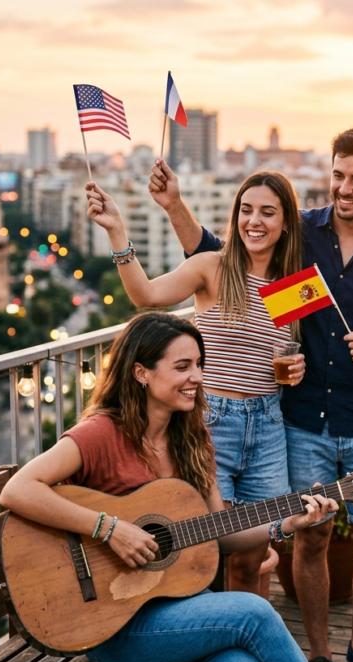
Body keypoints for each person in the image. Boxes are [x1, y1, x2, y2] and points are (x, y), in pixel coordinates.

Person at [155, 127, 353, 662]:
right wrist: (175, 204)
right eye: (338, 174)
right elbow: (218, 251)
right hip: (300, 419)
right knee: (309, 535)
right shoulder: (300, 231)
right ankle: (319, 655)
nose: (345, 187)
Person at [0, 312, 336, 662]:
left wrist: (286, 523)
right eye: (182, 366)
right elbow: (17, 490)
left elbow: (219, 533)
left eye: (198, 364)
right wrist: (110, 529)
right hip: (107, 624)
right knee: (254, 612)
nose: (197, 377)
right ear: (142, 373)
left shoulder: (192, 439)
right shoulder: (101, 433)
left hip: (179, 606)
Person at [83, 170, 306, 597]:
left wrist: (298, 367)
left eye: (267, 212)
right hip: (211, 422)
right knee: (203, 550)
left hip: (268, 427)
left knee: (254, 555)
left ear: (286, 223)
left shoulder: (296, 285)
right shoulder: (214, 266)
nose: (254, 221)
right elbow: (145, 296)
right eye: (246, 210)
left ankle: (249, 644)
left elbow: (289, 352)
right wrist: (117, 231)